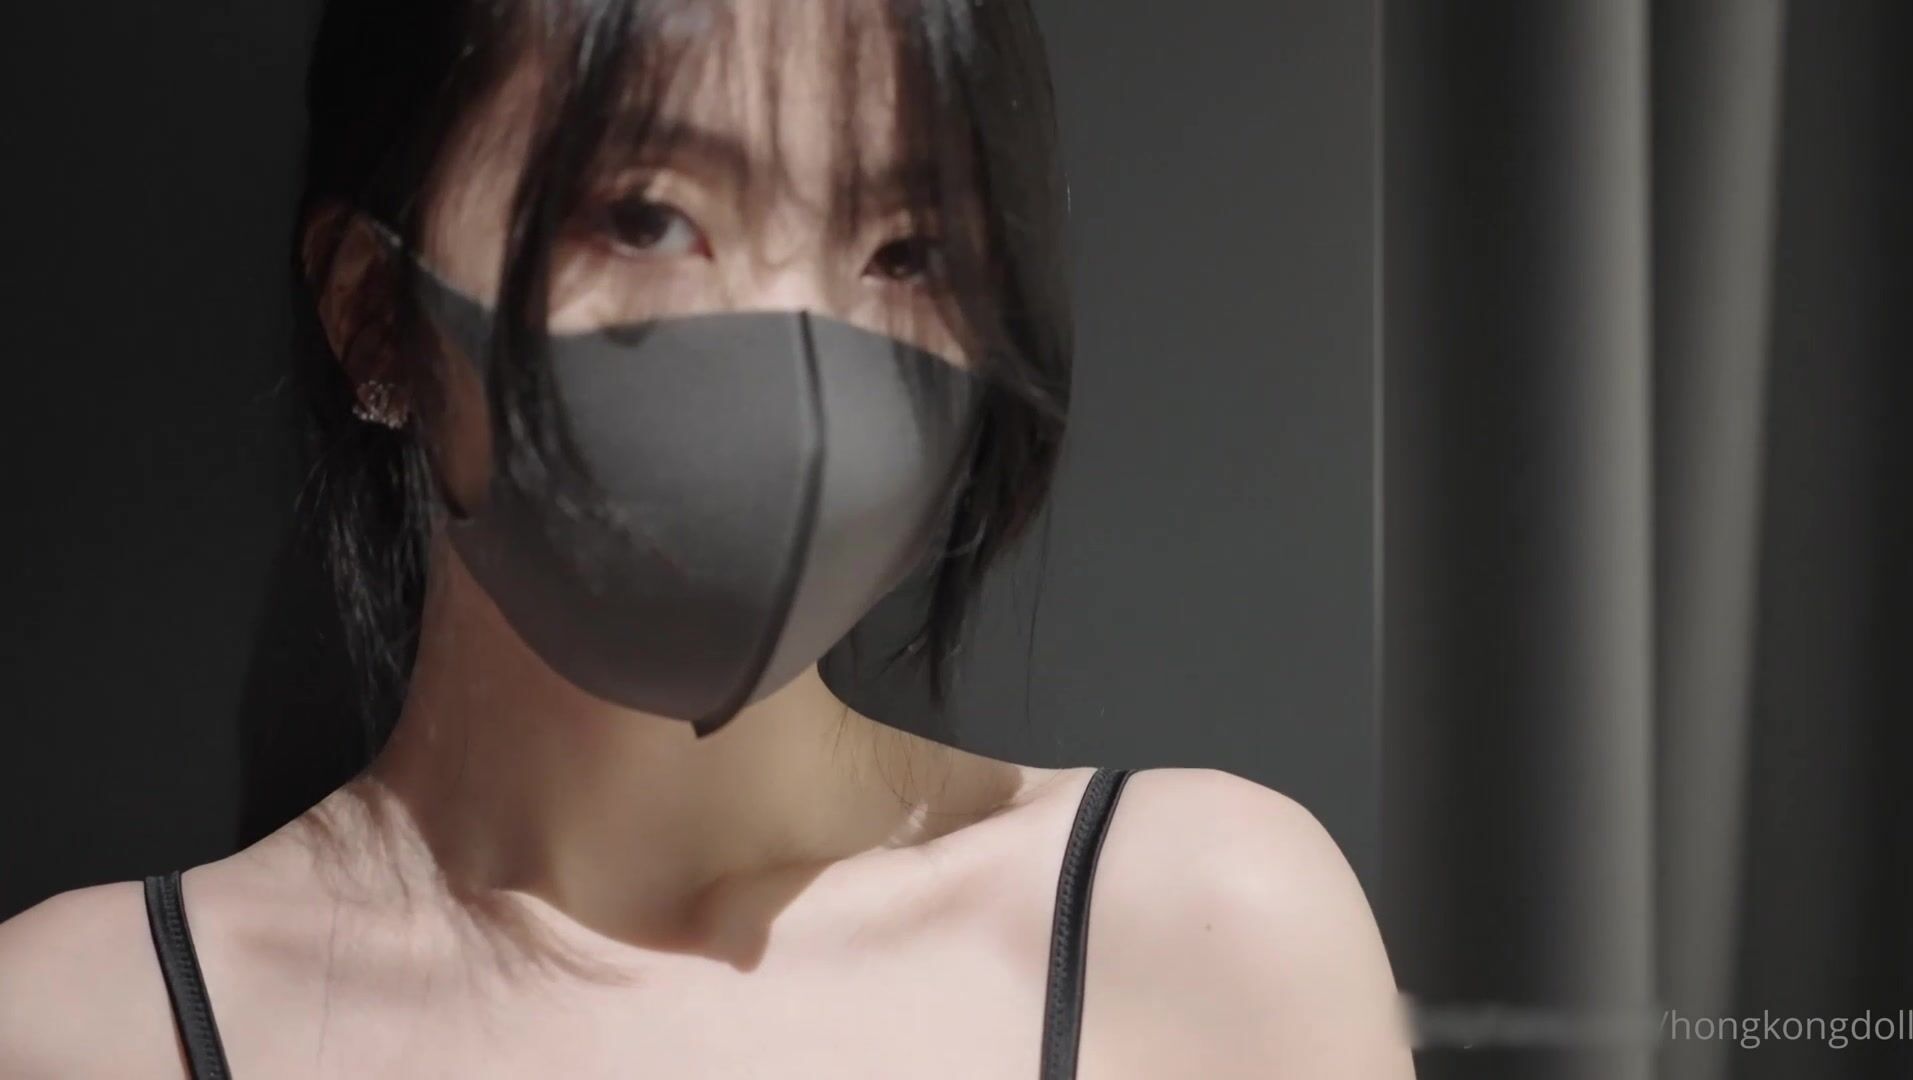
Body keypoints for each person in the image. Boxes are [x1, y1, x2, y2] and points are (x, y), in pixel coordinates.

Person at [0, 0, 1411, 1076]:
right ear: (376, 312)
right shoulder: (89, 1025)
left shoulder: (1193, 937)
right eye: (646, 216)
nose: (797, 351)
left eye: (904, 251)